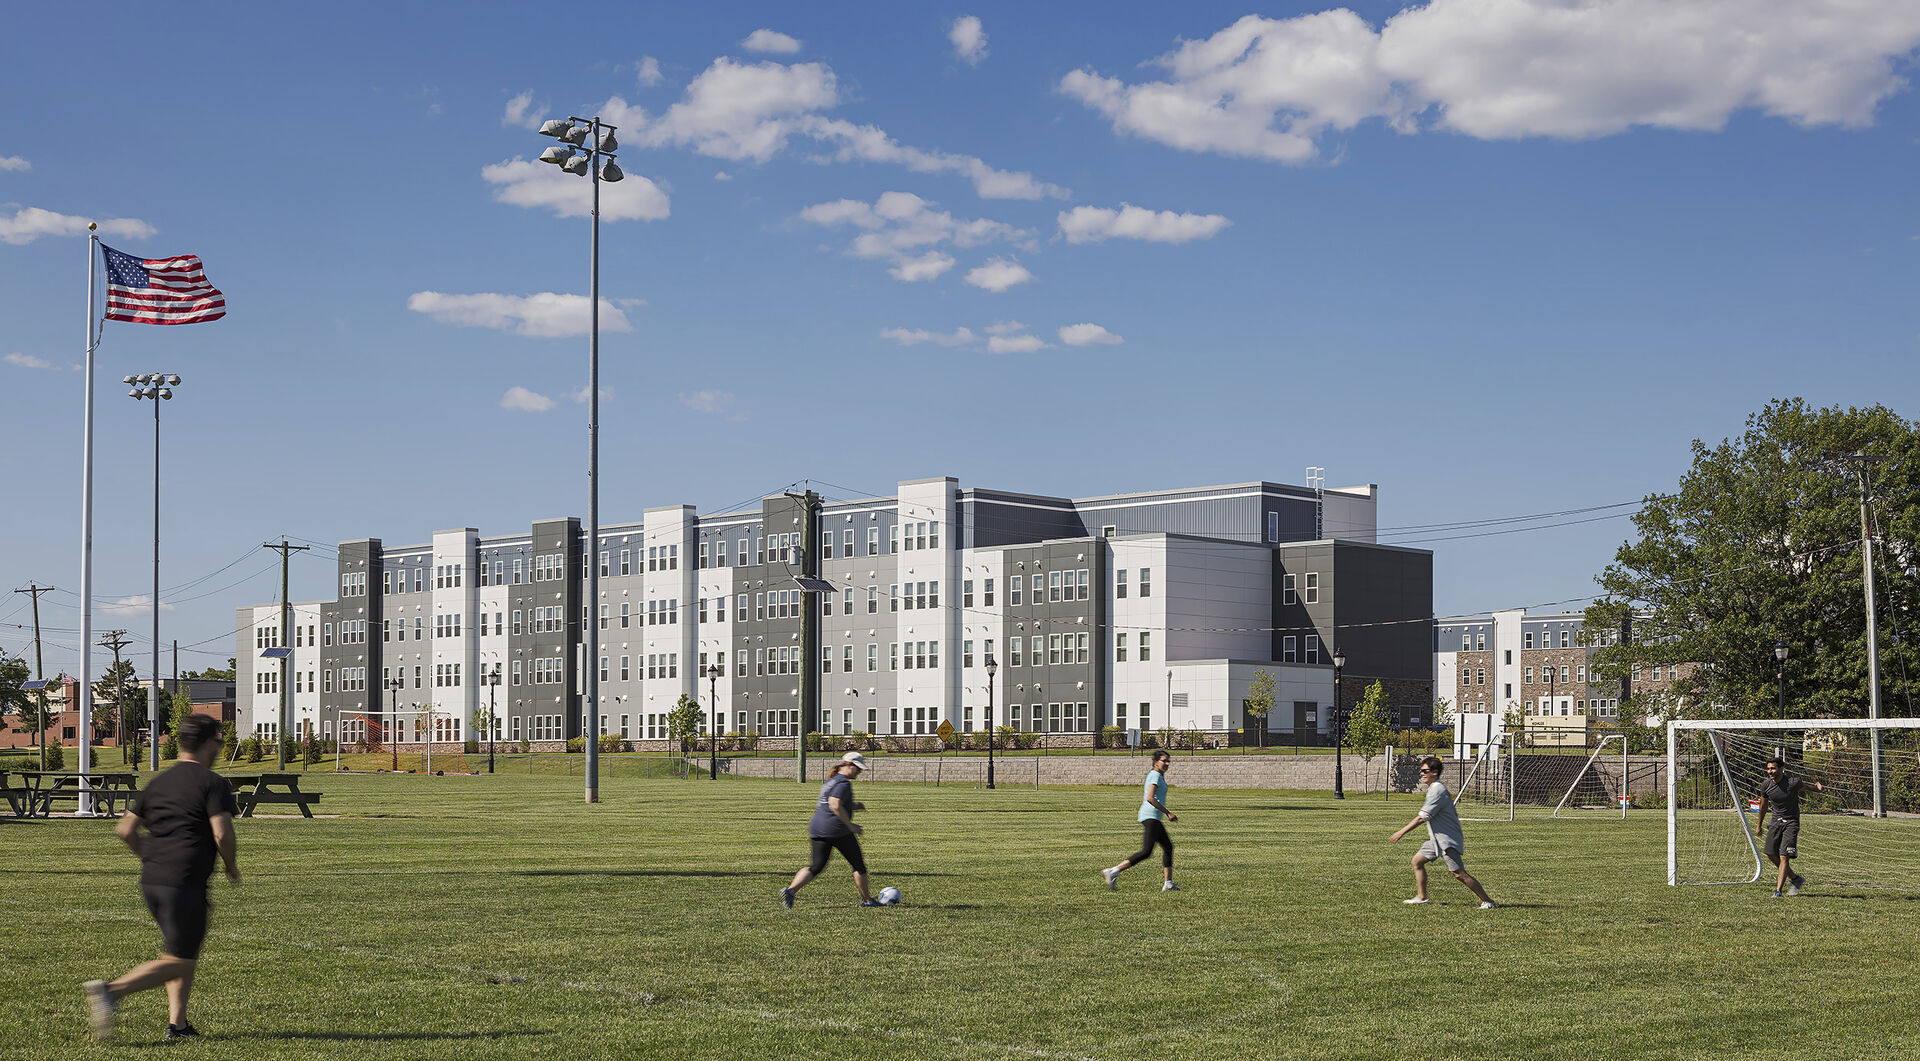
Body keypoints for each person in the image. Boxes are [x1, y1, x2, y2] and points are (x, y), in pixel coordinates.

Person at [85, 714, 240, 1041]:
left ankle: (178, 1025)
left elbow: (125, 829)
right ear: (208, 742)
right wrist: (230, 866)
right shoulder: (213, 783)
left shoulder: (158, 782)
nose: (220, 748)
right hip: (183, 882)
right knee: (182, 960)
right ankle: (111, 991)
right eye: (219, 741)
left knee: (180, 952)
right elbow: (223, 834)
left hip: (152, 881)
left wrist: (153, 858)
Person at [1390, 755, 1495, 909]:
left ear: (1435, 772)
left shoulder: (1437, 790)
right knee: (1417, 861)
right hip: (1436, 839)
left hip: (1446, 840)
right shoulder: (1436, 788)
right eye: (1421, 771)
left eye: (1425, 771)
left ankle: (1488, 901)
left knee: (1458, 873)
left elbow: (1422, 818)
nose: (1422, 774)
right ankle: (1422, 897)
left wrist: (1401, 832)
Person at [782, 751, 877, 908]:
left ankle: (790, 891)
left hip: (817, 828)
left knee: (816, 866)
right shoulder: (843, 783)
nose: (859, 772)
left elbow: (830, 802)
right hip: (836, 830)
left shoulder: (831, 781)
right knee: (858, 865)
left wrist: (854, 806)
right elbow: (834, 804)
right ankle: (868, 901)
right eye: (858, 769)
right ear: (848, 765)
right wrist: (850, 825)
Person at [1101, 750, 1180, 892]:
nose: (1167, 763)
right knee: (1146, 851)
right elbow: (1150, 797)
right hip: (1151, 817)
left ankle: (1168, 883)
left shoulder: (1157, 775)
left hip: (1153, 817)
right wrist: (1167, 813)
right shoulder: (1155, 775)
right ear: (1156, 762)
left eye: (1168, 761)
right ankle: (1114, 871)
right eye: (1164, 761)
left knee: (1168, 847)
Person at [1755, 756, 1825, 898]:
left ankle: (1778, 891)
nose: (1770, 771)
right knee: (1770, 853)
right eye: (1768, 768)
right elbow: (1763, 806)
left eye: (1773, 768)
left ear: (1781, 768)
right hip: (1775, 822)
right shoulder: (1766, 785)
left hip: (1791, 822)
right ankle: (1795, 878)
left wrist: (1817, 789)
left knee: (1784, 856)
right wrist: (1759, 825)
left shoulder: (1792, 783)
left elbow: (1806, 787)